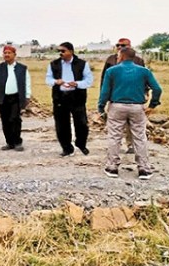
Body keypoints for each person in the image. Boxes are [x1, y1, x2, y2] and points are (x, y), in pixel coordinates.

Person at [97, 47, 162, 180]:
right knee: (139, 137)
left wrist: (101, 107)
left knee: (115, 137)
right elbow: (157, 89)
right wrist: (152, 105)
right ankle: (144, 168)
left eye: (118, 55)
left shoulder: (111, 71)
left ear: (122, 56)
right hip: (137, 107)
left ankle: (112, 167)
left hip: (117, 106)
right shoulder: (144, 71)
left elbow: (105, 92)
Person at [46, 42, 93, 157]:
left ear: (71, 51)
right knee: (61, 125)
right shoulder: (54, 64)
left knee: (82, 123)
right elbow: (48, 79)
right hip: (60, 97)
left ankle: (81, 144)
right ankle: (67, 148)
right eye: (59, 51)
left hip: (77, 97)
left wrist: (77, 83)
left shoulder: (82, 64)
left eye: (63, 51)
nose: (60, 53)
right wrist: (56, 82)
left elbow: (88, 81)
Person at [100, 38, 145, 154]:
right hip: (115, 97)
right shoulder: (111, 59)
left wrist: (145, 93)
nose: (120, 47)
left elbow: (144, 79)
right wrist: (103, 98)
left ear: (130, 46)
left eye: (123, 45)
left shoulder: (138, 60)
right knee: (115, 127)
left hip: (134, 97)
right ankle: (115, 149)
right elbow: (104, 79)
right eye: (118, 45)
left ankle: (131, 145)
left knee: (132, 125)